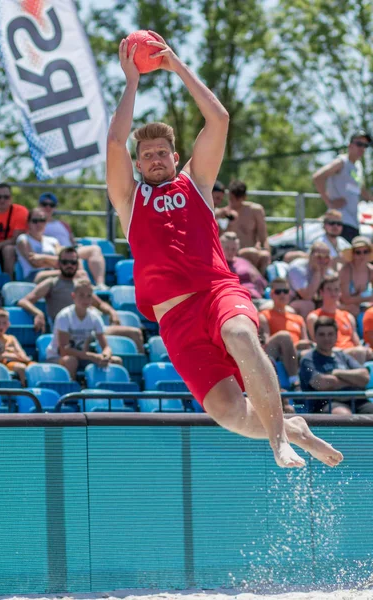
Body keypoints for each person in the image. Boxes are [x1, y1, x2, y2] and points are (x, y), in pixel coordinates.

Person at [106, 31, 343, 469]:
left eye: (163, 152)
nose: (155, 158)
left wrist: (175, 65)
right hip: (175, 318)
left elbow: (218, 119)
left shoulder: (195, 183)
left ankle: (279, 443)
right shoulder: (129, 200)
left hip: (217, 293)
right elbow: (114, 143)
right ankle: (294, 429)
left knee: (240, 336)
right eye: (148, 154)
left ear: (176, 157)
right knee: (228, 413)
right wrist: (131, 81)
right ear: (138, 164)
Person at [18, 246, 144, 351]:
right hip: (69, 332)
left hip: (92, 329)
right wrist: (38, 313)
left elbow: (99, 304)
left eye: (73, 263)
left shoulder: (81, 285)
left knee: (136, 333)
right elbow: (24, 301)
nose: (69, 265)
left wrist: (112, 313)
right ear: (59, 264)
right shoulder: (51, 283)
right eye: (65, 262)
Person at [45, 278, 121, 379]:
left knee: (116, 361)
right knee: (71, 361)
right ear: (73, 296)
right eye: (81, 295)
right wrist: (92, 356)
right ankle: (71, 390)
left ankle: (105, 392)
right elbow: (64, 350)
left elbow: (106, 346)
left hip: (82, 357)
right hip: (57, 357)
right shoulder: (64, 316)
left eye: (89, 296)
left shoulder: (95, 316)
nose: (85, 300)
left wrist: (106, 355)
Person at [299, 316, 371, 415]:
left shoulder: (342, 356)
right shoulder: (308, 359)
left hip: (358, 402)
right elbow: (321, 383)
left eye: (330, 334)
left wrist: (336, 372)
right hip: (327, 404)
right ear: (314, 336)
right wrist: (353, 381)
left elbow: (365, 377)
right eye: (322, 334)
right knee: (343, 414)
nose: (326, 338)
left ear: (336, 336)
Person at [39, 192, 108, 291]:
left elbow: (72, 241)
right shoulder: (36, 223)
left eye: (51, 205)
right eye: (44, 204)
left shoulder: (63, 224)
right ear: (39, 206)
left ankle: (100, 284)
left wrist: (76, 246)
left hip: (70, 250)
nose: (48, 207)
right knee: (74, 257)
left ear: (55, 207)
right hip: (54, 252)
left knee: (95, 249)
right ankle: (85, 285)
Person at [313, 129, 373, 242]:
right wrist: (329, 203)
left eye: (365, 145)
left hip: (354, 222)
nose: (362, 148)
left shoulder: (358, 166)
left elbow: (360, 189)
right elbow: (318, 177)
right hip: (339, 222)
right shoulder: (341, 162)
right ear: (350, 145)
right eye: (359, 144)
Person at [307, 273, 372, 364]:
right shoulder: (314, 317)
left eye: (336, 289)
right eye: (329, 289)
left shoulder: (348, 316)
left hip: (353, 353)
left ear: (340, 293)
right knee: (359, 352)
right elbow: (319, 346)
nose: (333, 293)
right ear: (321, 292)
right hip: (332, 355)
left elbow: (357, 342)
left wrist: (366, 350)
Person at [225, 180, 271, 275]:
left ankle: (261, 284)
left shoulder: (255, 210)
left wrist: (265, 251)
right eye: (231, 199)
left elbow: (263, 237)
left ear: (244, 198)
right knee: (247, 253)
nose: (233, 202)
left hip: (251, 252)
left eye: (237, 199)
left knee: (264, 256)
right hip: (230, 253)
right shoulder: (224, 212)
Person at [0, 308, 35, 385]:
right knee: (21, 368)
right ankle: (25, 387)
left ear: (8, 324)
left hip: (17, 360)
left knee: (34, 366)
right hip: (2, 365)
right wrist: (7, 355)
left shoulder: (12, 338)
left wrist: (19, 355)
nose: (1, 326)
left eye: (4, 323)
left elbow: (21, 352)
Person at [15, 208, 62, 283]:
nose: (38, 224)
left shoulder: (53, 240)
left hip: (54, 274)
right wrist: (54, 262)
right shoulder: (23, 239)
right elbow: (35, 263)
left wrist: (42, 257)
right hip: (34, 276)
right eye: (35, 221)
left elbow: (62, 261)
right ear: (28, 223)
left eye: (42, 220)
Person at [288, 241, 332, 319]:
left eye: (326, 257)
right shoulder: (297, 268)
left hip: (315, 301)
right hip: (292, 302)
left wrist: (324, 272)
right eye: (319, 257)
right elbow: (307, 296)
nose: (323, 260)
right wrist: (317, 271)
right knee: (308, 305)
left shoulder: (327, 270)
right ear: (310, 255)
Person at [220, 232, 267, 302]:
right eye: (227, 248)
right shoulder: (218, 265)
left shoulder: (244, 262)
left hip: (256, 298)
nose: (230, 252)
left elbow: (261, 281)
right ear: (221, 247)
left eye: (233, 249)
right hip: (235, 299)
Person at [339, 236, 373, 317]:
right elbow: (345, 299)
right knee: (353, 309)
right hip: (344, 308)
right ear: (353, 254)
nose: (362, 255)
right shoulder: (346, 271)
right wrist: (367, 299)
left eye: (365, 251)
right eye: (358, 252)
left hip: (363, 308)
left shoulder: (371, 271)